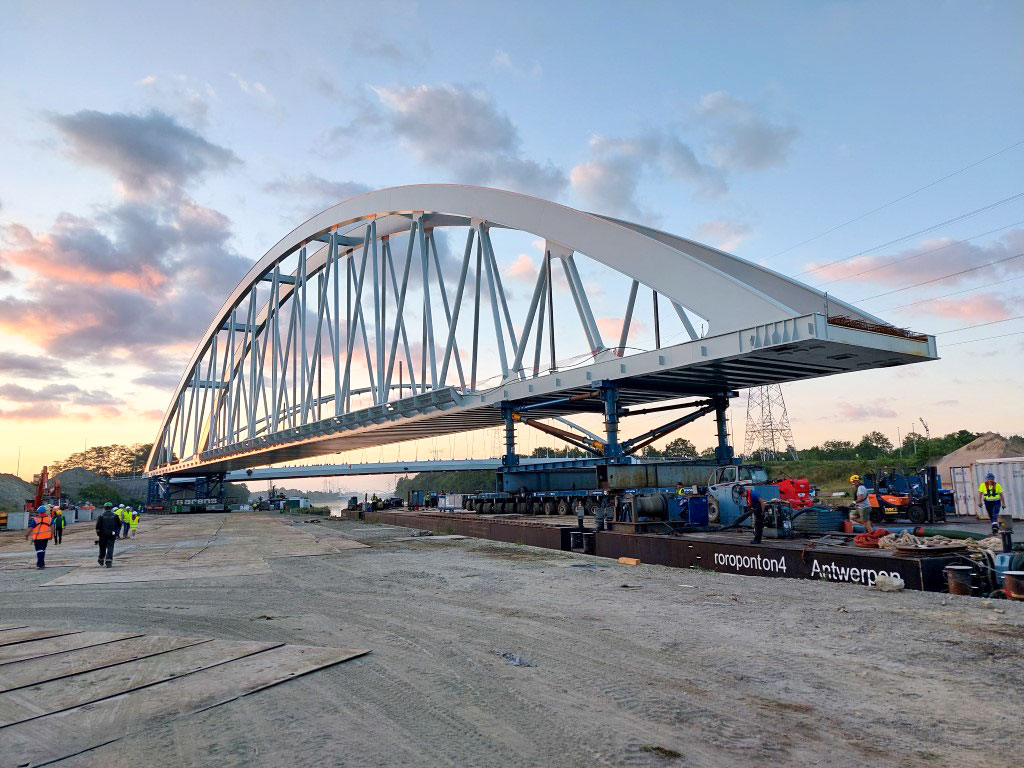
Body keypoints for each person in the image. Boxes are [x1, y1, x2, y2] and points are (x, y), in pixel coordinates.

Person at [25, 504, 54, 569]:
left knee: (39, 551)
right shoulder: (49, 519)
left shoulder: (35, 520)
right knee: (43, 550)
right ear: (45, 511)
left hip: (37, 538)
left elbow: (31, 528)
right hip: (45, 538)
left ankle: (40, 565)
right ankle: (42, 564)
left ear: (38, 512)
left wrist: (27, 535)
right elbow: (52, 528)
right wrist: (51, 535)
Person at [95, 502, 120, 567]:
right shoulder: (115, 516)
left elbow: (98, 527)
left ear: (104, 508)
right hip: (112, 534)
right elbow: (119, 525)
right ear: (111, 508)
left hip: (102, 535)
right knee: (110, 547)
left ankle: (101, 559)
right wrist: (115, 532)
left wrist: (99, 534)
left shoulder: (101, 516)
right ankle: (108, 561)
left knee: (102, 547)